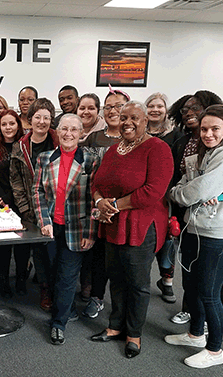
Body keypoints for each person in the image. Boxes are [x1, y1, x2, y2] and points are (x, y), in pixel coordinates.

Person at [165, 105, 223, 369]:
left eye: (215, 128)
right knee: (191, 287)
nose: (208, 134)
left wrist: (182, 193)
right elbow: (186, 183)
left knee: (209, 293)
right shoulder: (206, 154)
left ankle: (215, 350)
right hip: (194, 229)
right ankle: (194, 334)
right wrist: (190, 190)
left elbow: (196, 190)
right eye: (204, 129)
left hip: (218, 235)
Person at [91, 101, 173, 359]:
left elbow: (152, 192)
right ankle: (115, 326)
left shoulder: (158, 149)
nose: (127, 122)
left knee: (137, 284)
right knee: (115, 277)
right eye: (123, 117)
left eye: (134, 118)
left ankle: (134, 334)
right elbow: (97, 182)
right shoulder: (115, 150)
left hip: (140, 226)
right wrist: (99, 201)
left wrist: (114, 204)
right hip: (113, 224)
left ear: (146, 120)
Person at [34, 114, 98, 345]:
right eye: (64, 129)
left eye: (74, 129)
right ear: (57, 131)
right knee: (51, 271)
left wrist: (90, 233)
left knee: (67, 277)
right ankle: (67, 308)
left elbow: (95, 199)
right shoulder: (44, 158)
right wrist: (44, 221)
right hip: (51, 227)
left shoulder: (91, 159)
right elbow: (37, 192)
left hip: (78, 229)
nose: (68, 134)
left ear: (81, 133)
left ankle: (58, 324)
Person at [168, 90, 223, 324]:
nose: (190, 113)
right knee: (189, 264)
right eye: (185, 110)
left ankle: (212, 322)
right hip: (186, 211)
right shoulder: (181, 140)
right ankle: (190, 309)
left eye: (195, 108)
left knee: (212, 276)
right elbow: (176, 176)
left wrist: (217, 194)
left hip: (214, 217)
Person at [80, 88, 130, 318]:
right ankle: (97, 297)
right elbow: (86, 172)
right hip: (98, 204)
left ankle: (123, 308)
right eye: (108, 107)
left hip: (127, 207)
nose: (113, 111)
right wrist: (99, 201)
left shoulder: (135, 139)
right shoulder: (94, 138)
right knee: (98, 257)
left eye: (118, 106)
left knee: (123, 261)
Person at [10, 97, 59, 310]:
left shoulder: (59, 142)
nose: (41, 121)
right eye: (37, 117)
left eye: (46, 117)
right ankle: (45, 291)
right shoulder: (20, 147)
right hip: (30, 208)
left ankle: (55, 287)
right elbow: (16, 181)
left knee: (54, 252)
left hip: (56, 207)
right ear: (30, 120)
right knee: (38, 252)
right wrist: (24, 209)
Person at [143, 92, 185, 305]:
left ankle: (166, 280)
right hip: (144, 194)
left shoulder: (176, 135)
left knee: (168, 236)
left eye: (159, 106)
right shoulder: (141, 133)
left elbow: (178, 167)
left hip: (166, 195)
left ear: (166, 109)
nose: (155, 110)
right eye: (151, 106)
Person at [0, 110, 30, 297]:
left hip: (21, 201)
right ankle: (3, 280)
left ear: (18, 125)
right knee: (3, 245)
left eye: (12, 123)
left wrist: (12, 197)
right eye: (4, 124)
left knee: (22, 245)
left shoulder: (25, 146)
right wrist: (2, 197)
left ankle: (21, 279)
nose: (8, 127)